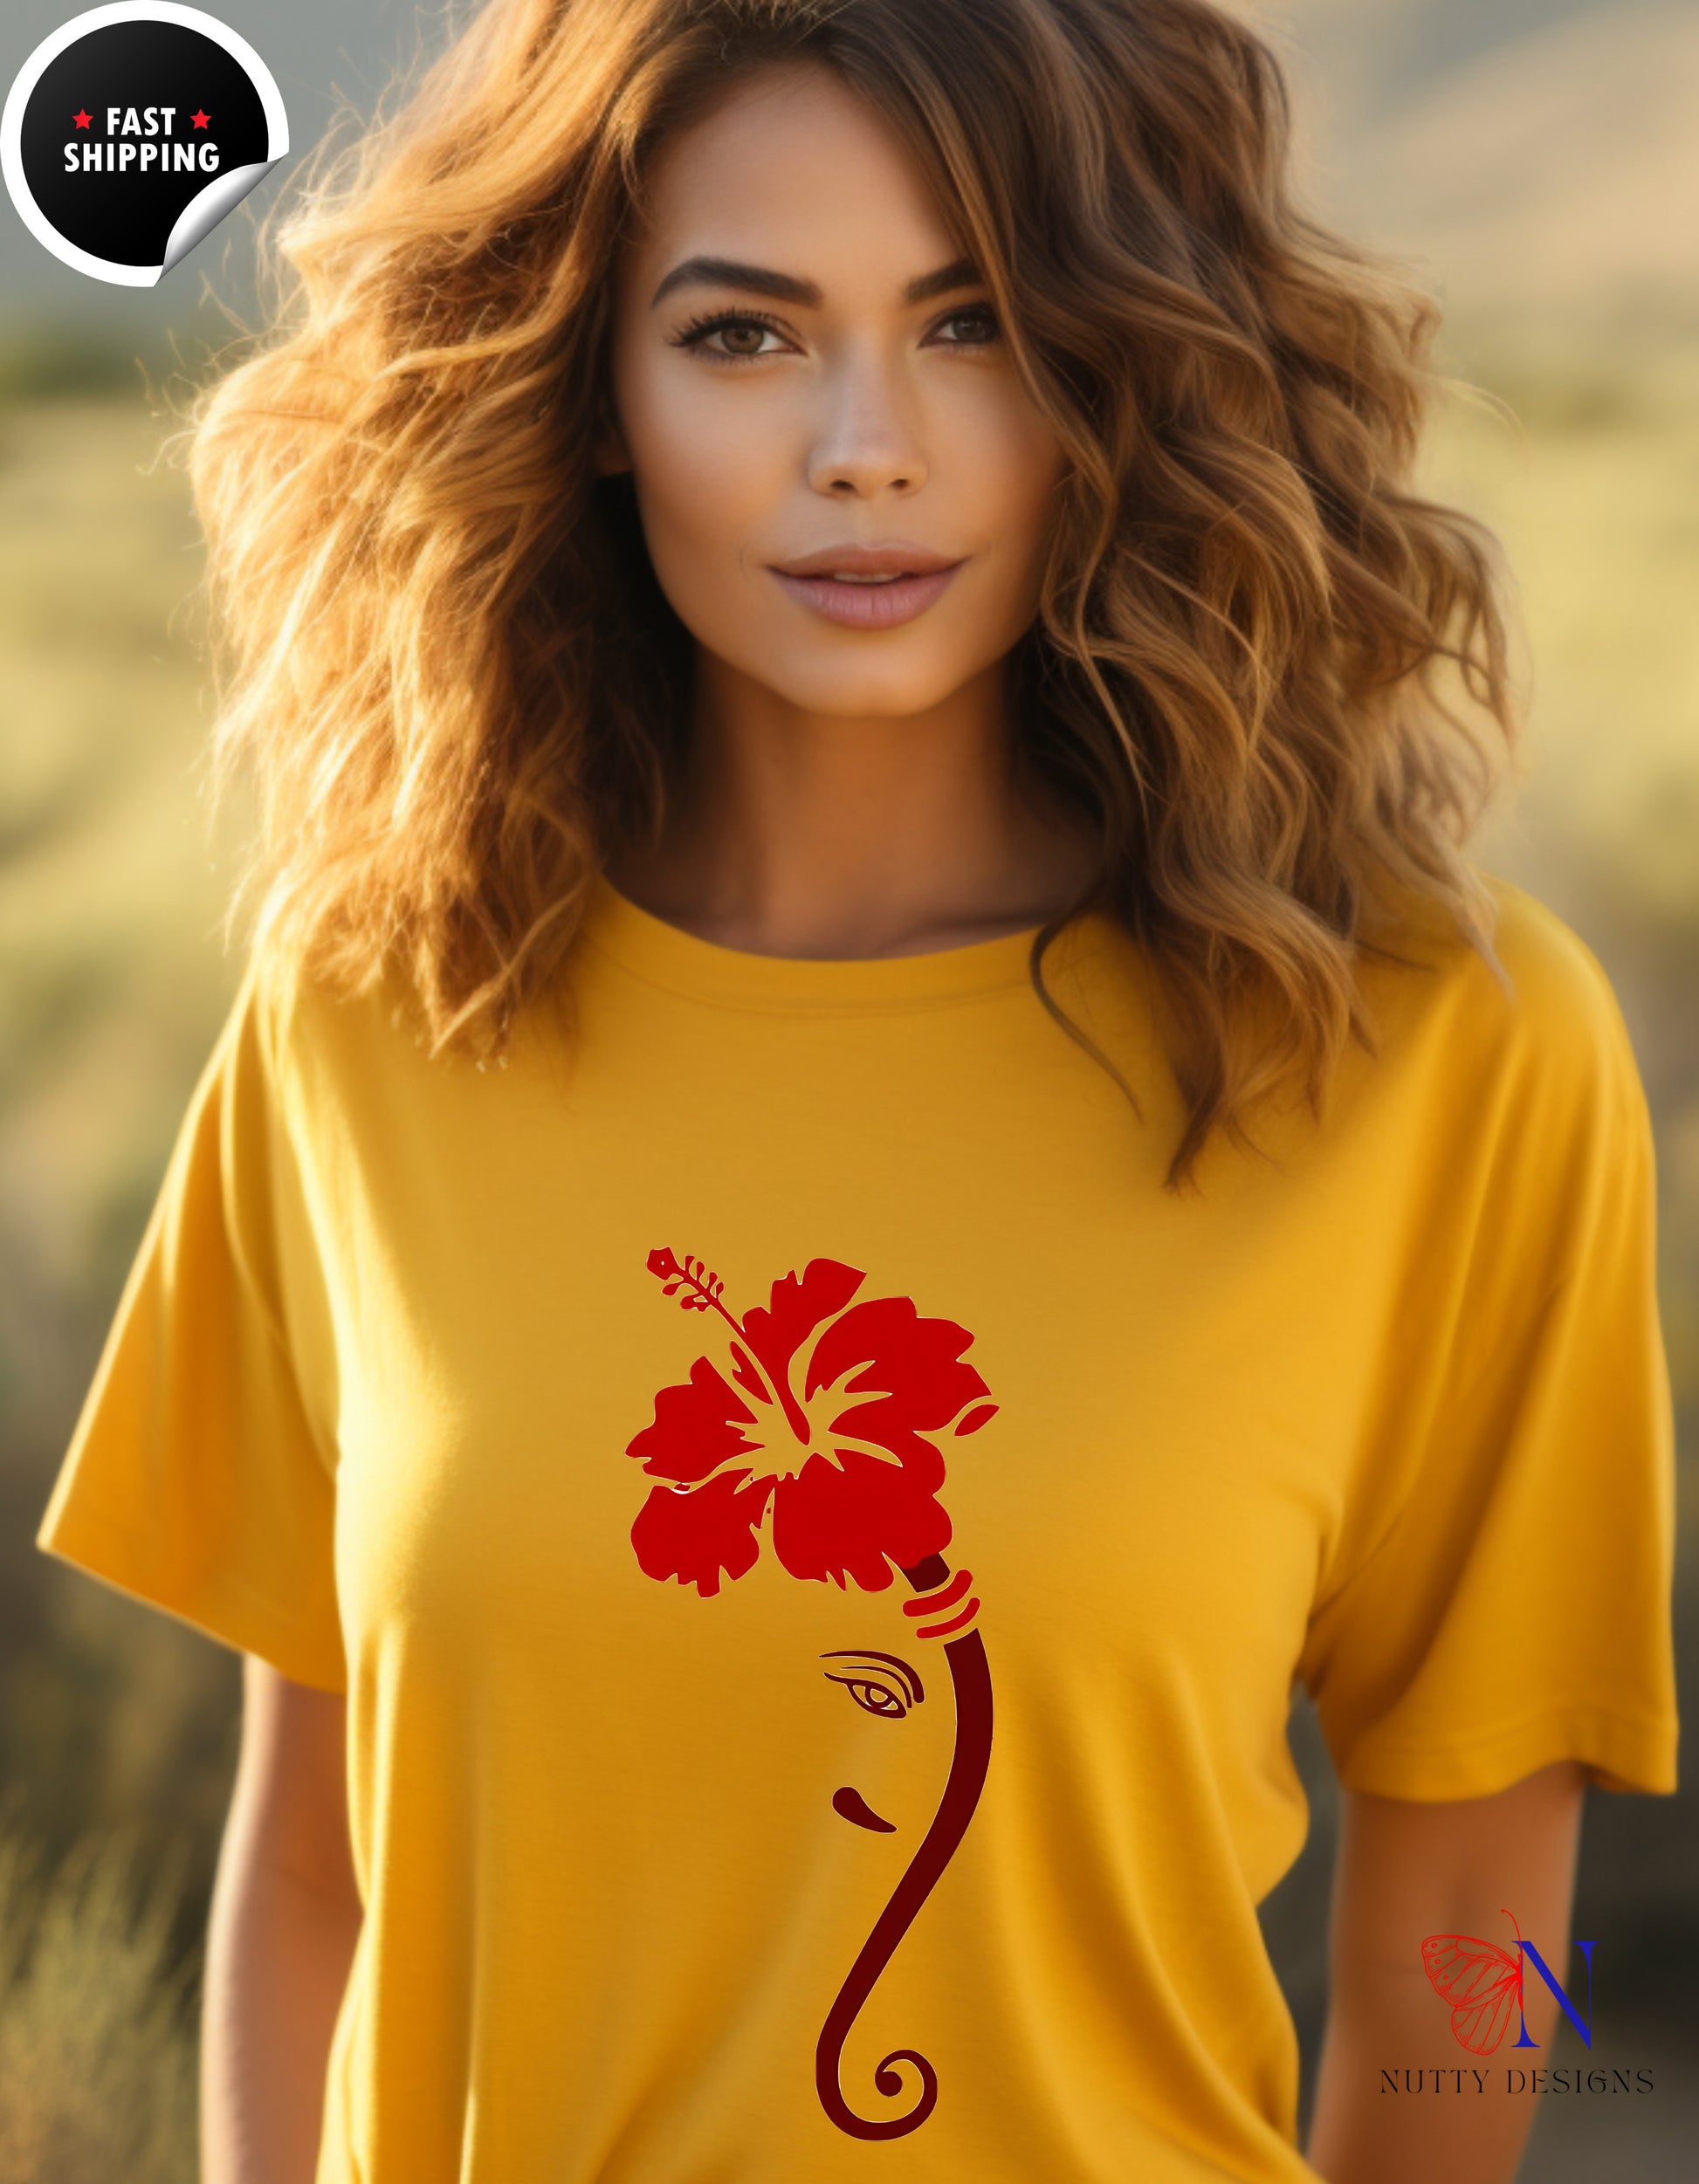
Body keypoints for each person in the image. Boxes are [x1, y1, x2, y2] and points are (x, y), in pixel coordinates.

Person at [34, 0, 1678, 2179]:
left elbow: (1477, 1929)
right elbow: (322, 1871)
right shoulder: (371, 1006)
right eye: (741, 336)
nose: (865, 448)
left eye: (977, 322)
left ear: (1126, 364)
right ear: (592, 386)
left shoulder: (1437, 1055)